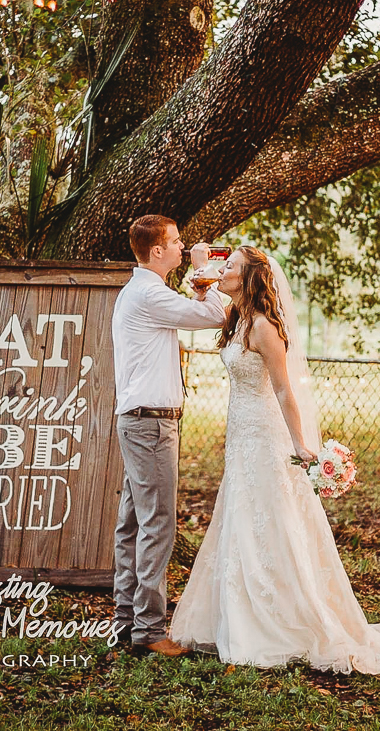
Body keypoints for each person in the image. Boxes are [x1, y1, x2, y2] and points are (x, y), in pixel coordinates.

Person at [171, 246, 380, 675]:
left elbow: (283, 390)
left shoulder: (263, 326)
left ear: (251, 278)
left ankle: (279, 622)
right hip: (241, 438)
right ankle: (240, 618)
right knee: (242, 519)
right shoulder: (236, 318)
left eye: (230, 266)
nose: (223, 271)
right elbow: (203, 297)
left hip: (267, 438)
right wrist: (202, 269)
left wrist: (302, 446)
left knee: (272, 521)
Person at [111, 214, 225, 657]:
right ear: (157, 251)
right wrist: (204, 272)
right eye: (177, 242)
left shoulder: (141, 292)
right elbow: (214, 315)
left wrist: (194, 282)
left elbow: (185, 308)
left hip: (138, 420)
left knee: (133, 523)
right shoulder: (148, 294)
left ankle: (127, 617)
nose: (182, 246)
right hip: (152, 424)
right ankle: (149, 630)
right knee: (157, 523)